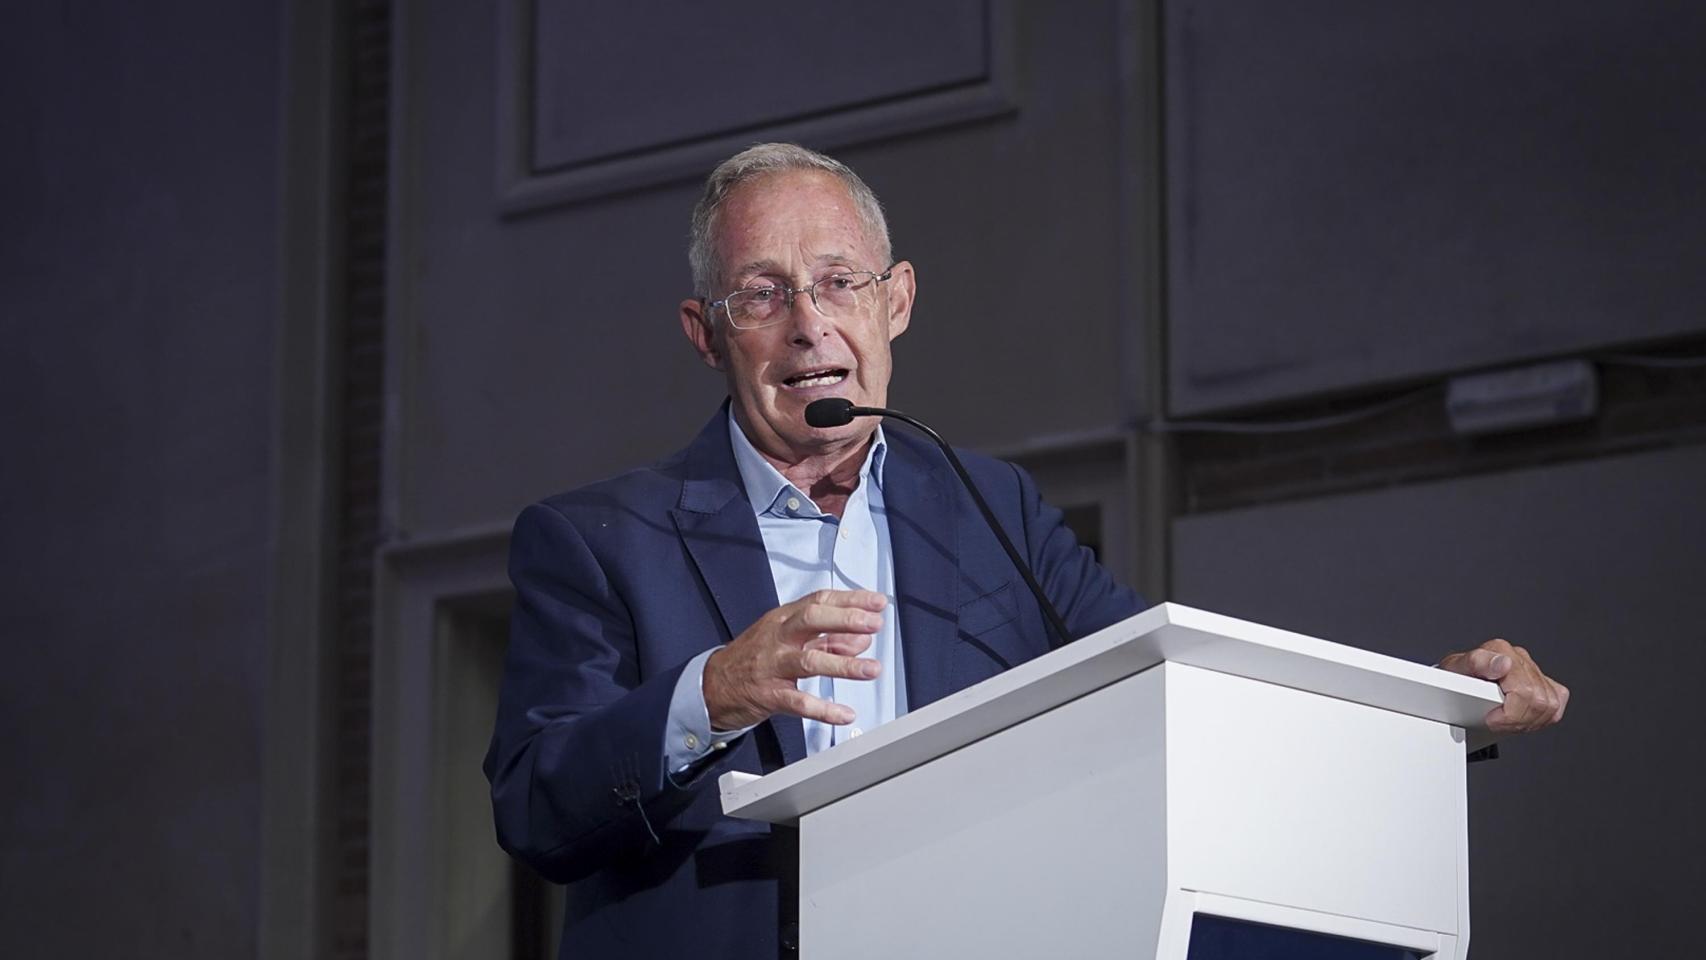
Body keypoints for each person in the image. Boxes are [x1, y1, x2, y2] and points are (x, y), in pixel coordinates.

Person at [483, 143, 1568, 958]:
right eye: (762, 294)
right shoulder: (597, 540)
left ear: (894, 301)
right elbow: (536, 804)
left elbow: (1170, 689)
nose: (810, 323)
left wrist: (1428, 707)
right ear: (704, 331)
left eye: (839, 281)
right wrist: (710, 691)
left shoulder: (983, 508)